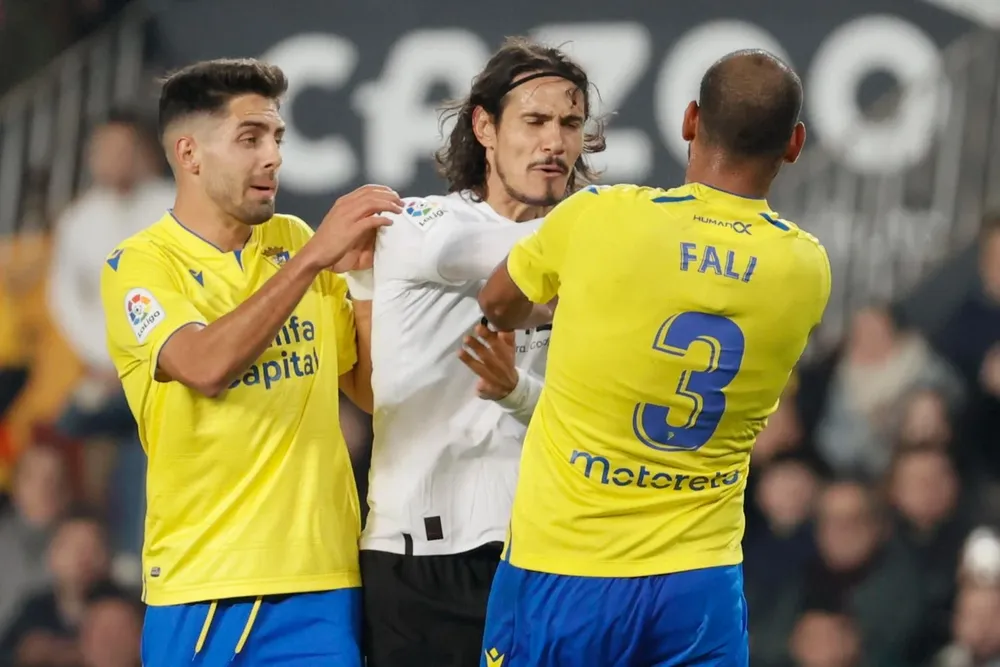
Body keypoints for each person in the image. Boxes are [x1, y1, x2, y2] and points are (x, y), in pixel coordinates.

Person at [477, 49, 832, 666]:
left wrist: (579, 300)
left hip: (567, 566)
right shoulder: (806, 268)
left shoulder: (600, 217)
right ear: (795, 144)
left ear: (690, 119)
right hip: (700, 580)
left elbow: (498, 303)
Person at [98, 58, 401, 667]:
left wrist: (364, 282)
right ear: (189, 154)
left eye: (277, 138)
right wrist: (313, 261)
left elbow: (368, 393)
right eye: (250, 138)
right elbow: (203, 365)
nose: (273, 157)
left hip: (325, 578)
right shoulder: (140, 265)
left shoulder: (293, 240)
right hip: (208, 586)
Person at [346, 37, 602, 667]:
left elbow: (588, 419)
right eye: (534, 121)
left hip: (542, 549)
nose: (555, 142)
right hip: (419, 557)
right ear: (485, 128)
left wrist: (518, 390)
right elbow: (514, 264)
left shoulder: (590, 241)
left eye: (570, 124)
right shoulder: (421, 227)